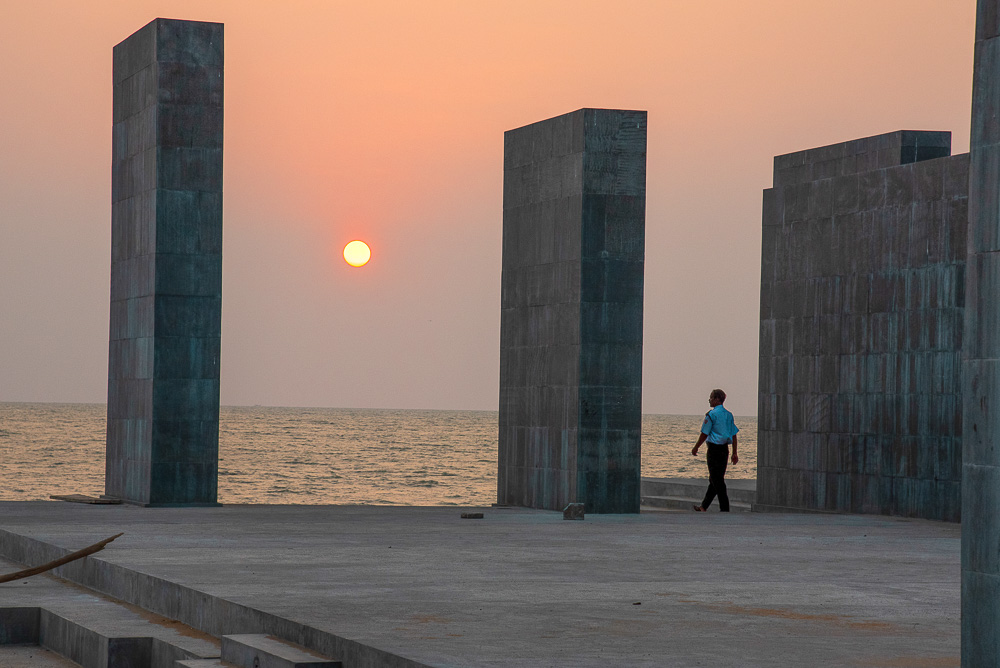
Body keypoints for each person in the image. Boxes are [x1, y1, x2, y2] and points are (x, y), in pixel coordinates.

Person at [691, 388, 739, 512]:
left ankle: (725, 508)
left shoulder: (711, 415)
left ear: (717, 399)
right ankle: (703, 506)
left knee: (717, 480)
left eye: (711, 397)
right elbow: (734, 435)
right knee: (715, 478)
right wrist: (735, 452)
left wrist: (696, 447)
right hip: (724, 450)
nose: (709, 400)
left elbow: (704, 433)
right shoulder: (729, 415)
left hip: (714, 449)